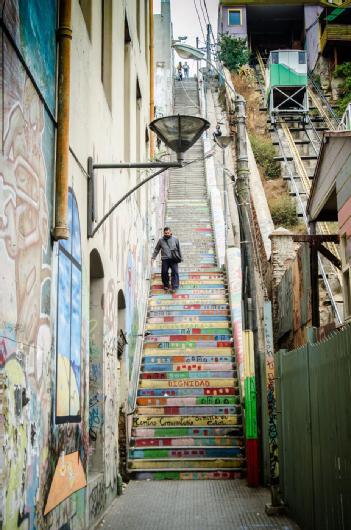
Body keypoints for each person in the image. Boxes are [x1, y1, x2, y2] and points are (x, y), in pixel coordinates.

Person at [151, 227, 182, 293]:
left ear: (171, 232)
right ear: (164, 233)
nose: (167, 234)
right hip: (165, 259)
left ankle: (175, 286)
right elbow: (157, 249)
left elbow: (179, 248)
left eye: (168, 233)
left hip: (173, 258)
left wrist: (180, 257)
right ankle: (166, 285)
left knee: (175, 272)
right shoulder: (160, 240)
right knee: (164, 272)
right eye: (165, 233)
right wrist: (153, 257)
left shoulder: (175, 239)